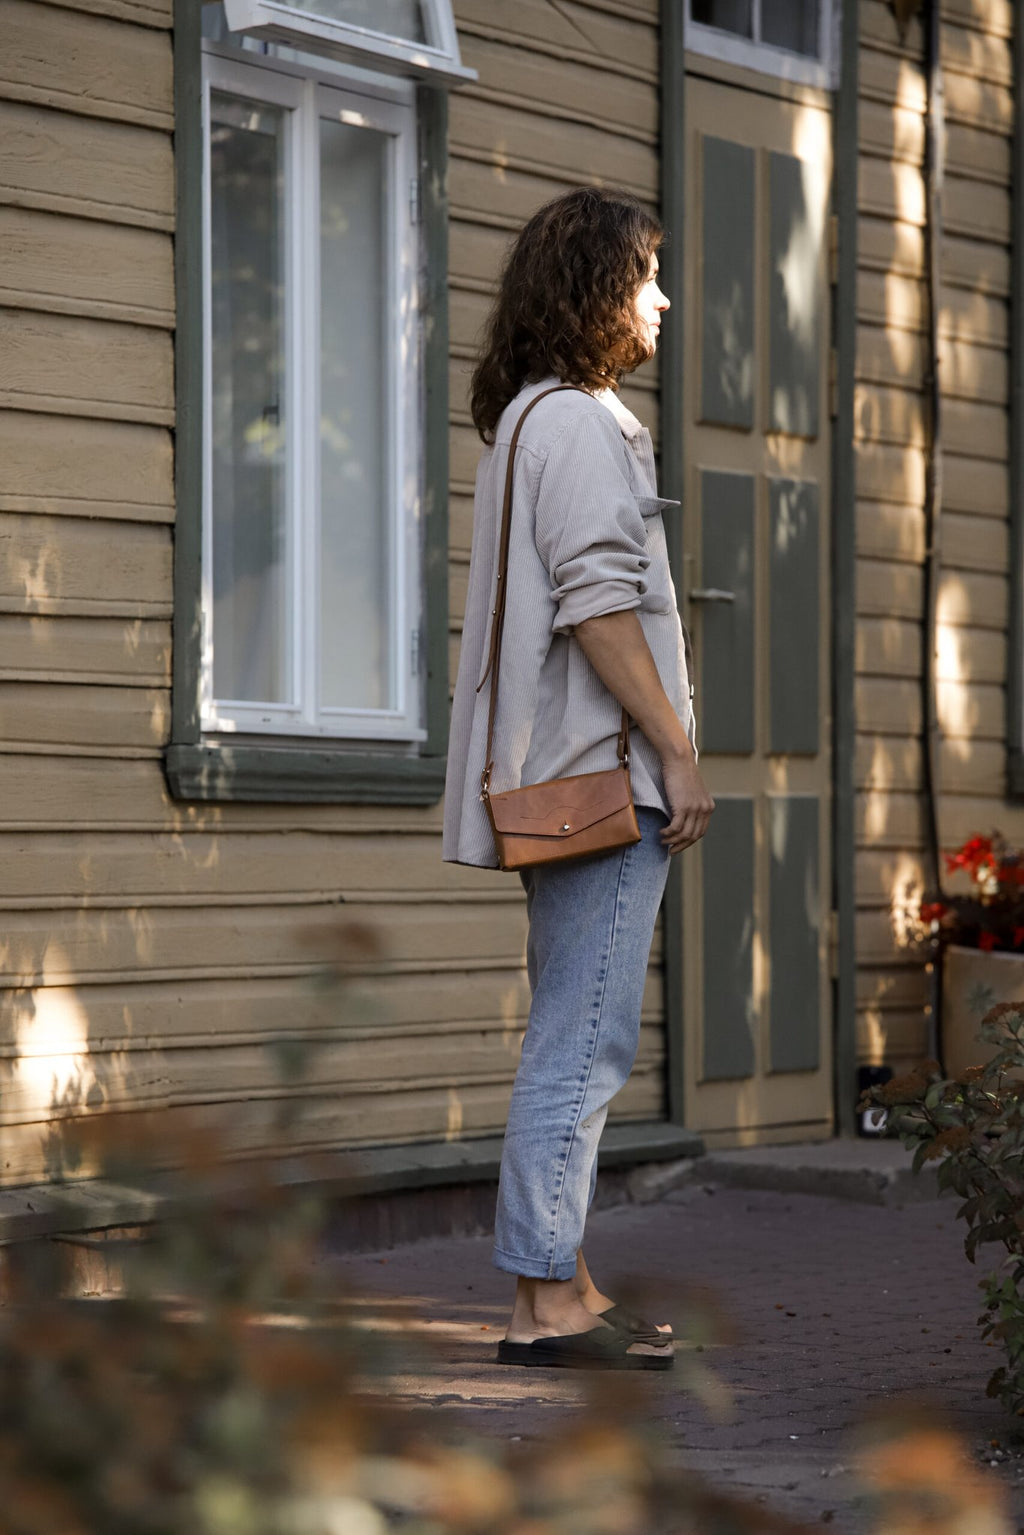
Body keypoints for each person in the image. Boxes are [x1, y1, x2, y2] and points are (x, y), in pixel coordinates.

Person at [442, 187, 715, 1370]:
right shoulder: (582, 425)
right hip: (604, 786)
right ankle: (541, 1308)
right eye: (645, 274)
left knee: (570, 1022)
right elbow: (599, 607)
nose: (661, 297)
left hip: (552, 777)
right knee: (582, 1043)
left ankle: (570, 1278)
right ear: (595, 288)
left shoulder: (529, 418)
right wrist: (676, 750)